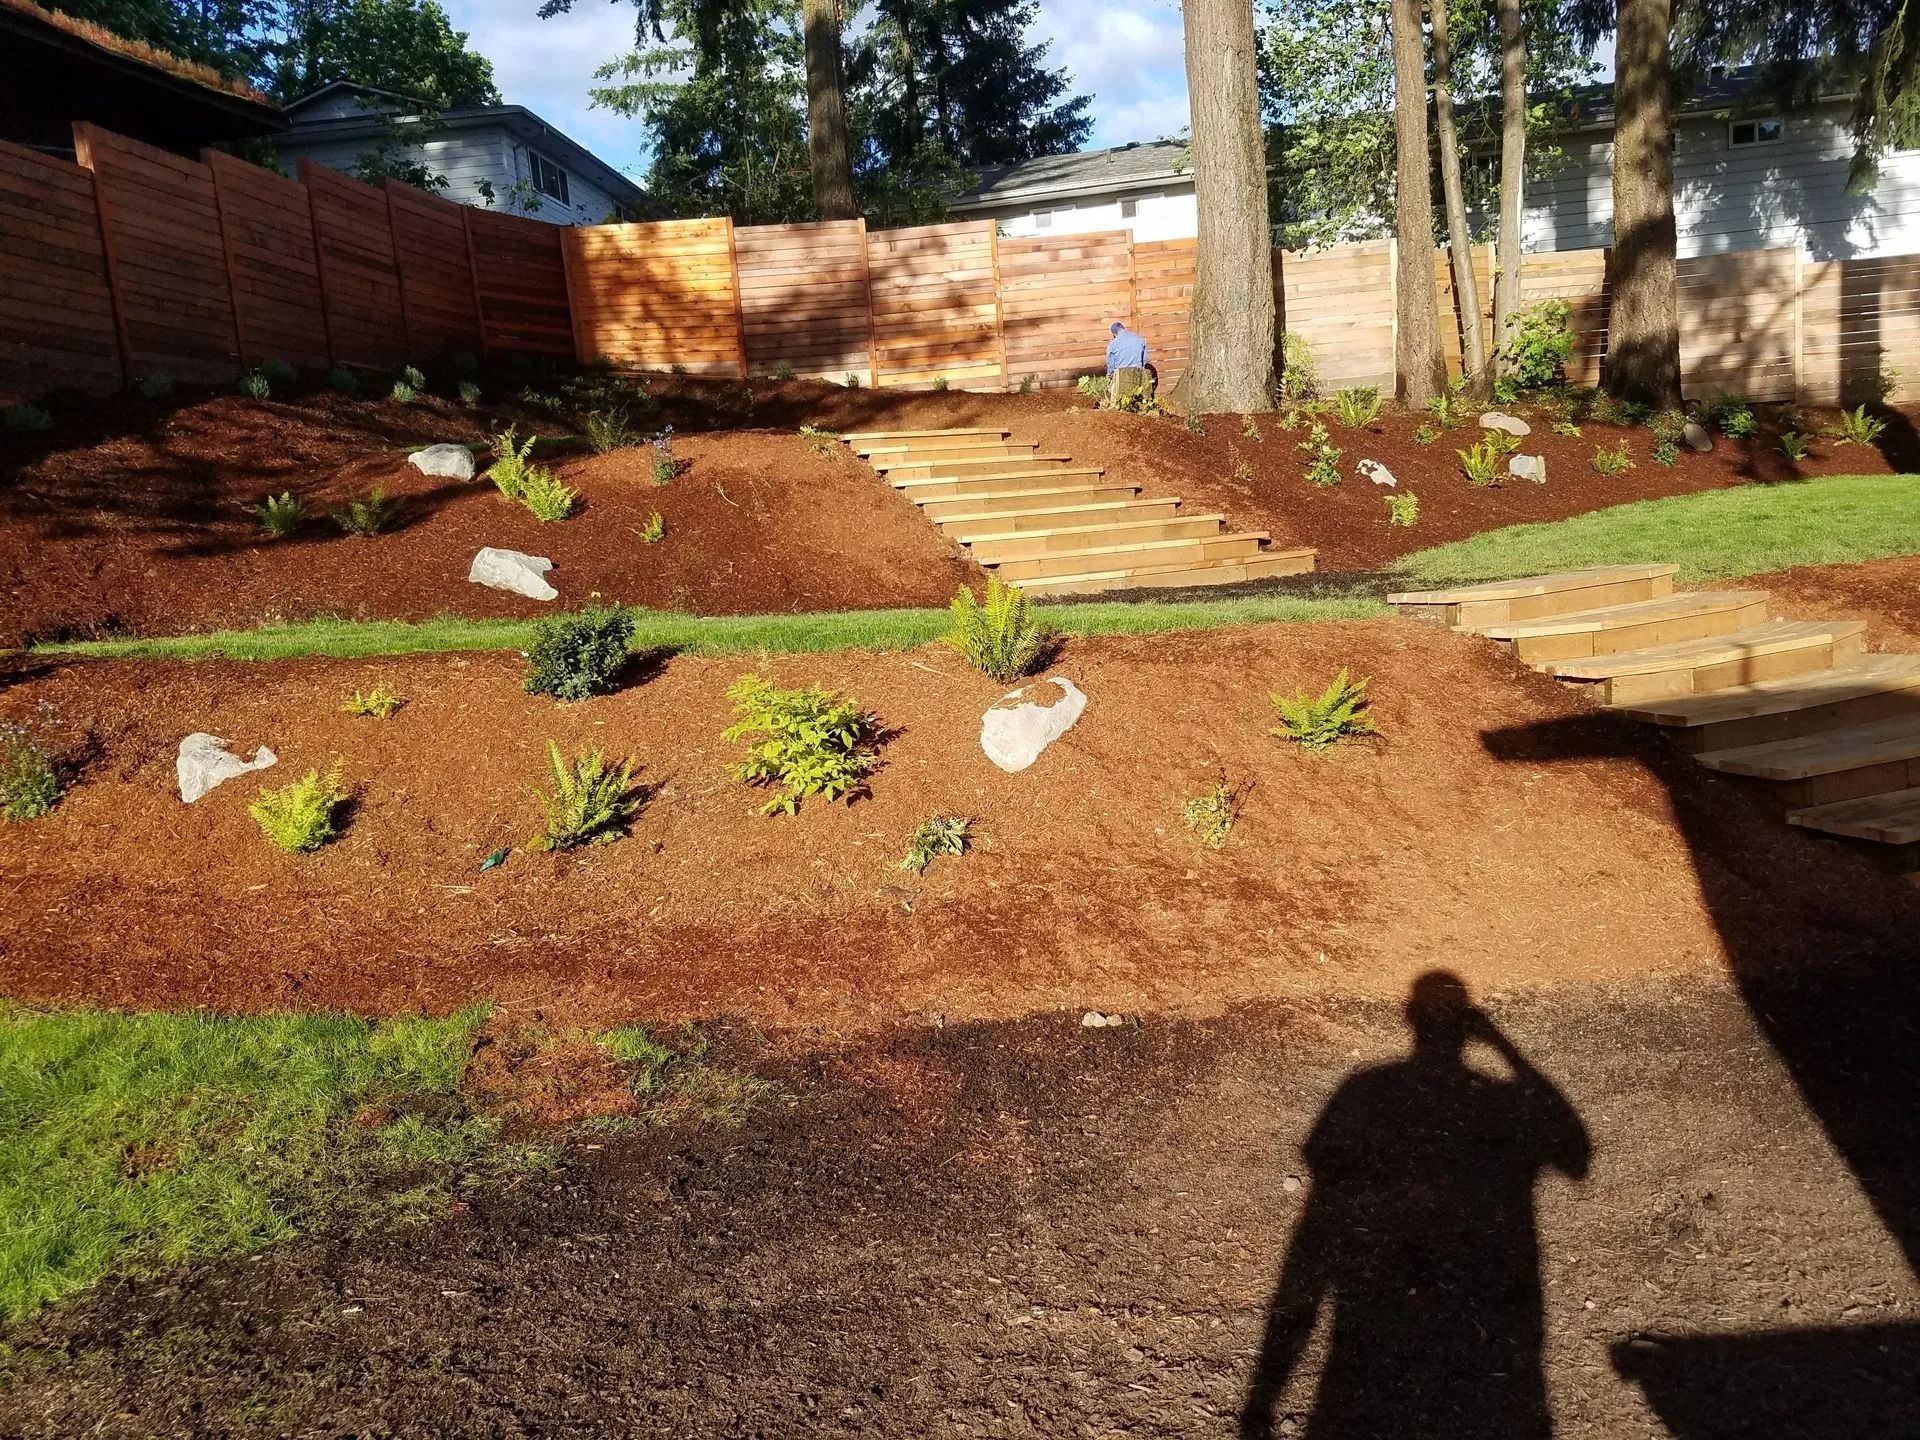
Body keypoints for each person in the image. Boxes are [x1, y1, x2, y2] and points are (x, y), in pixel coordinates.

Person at [1239, 971, 1590, 1440]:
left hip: (1370, 1342)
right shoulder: (1492, 1098)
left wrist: (1263, 1398)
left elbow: (1315, 1228)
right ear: (1466, 1030)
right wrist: (1503, 1047)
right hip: (1482, 1336)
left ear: (1408, 1018)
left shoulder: (1363, 1089)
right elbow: (1575, 1154)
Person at [1104, 321, 1152, 407]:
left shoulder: (1112, 345)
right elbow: (1144, 360)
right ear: (1123, 329)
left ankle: (1113, 405)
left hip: (1120, 378)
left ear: (1114, 334)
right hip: (1138, 377)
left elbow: (1111, 366)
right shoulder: (1140, 340)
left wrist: (1110, 376)